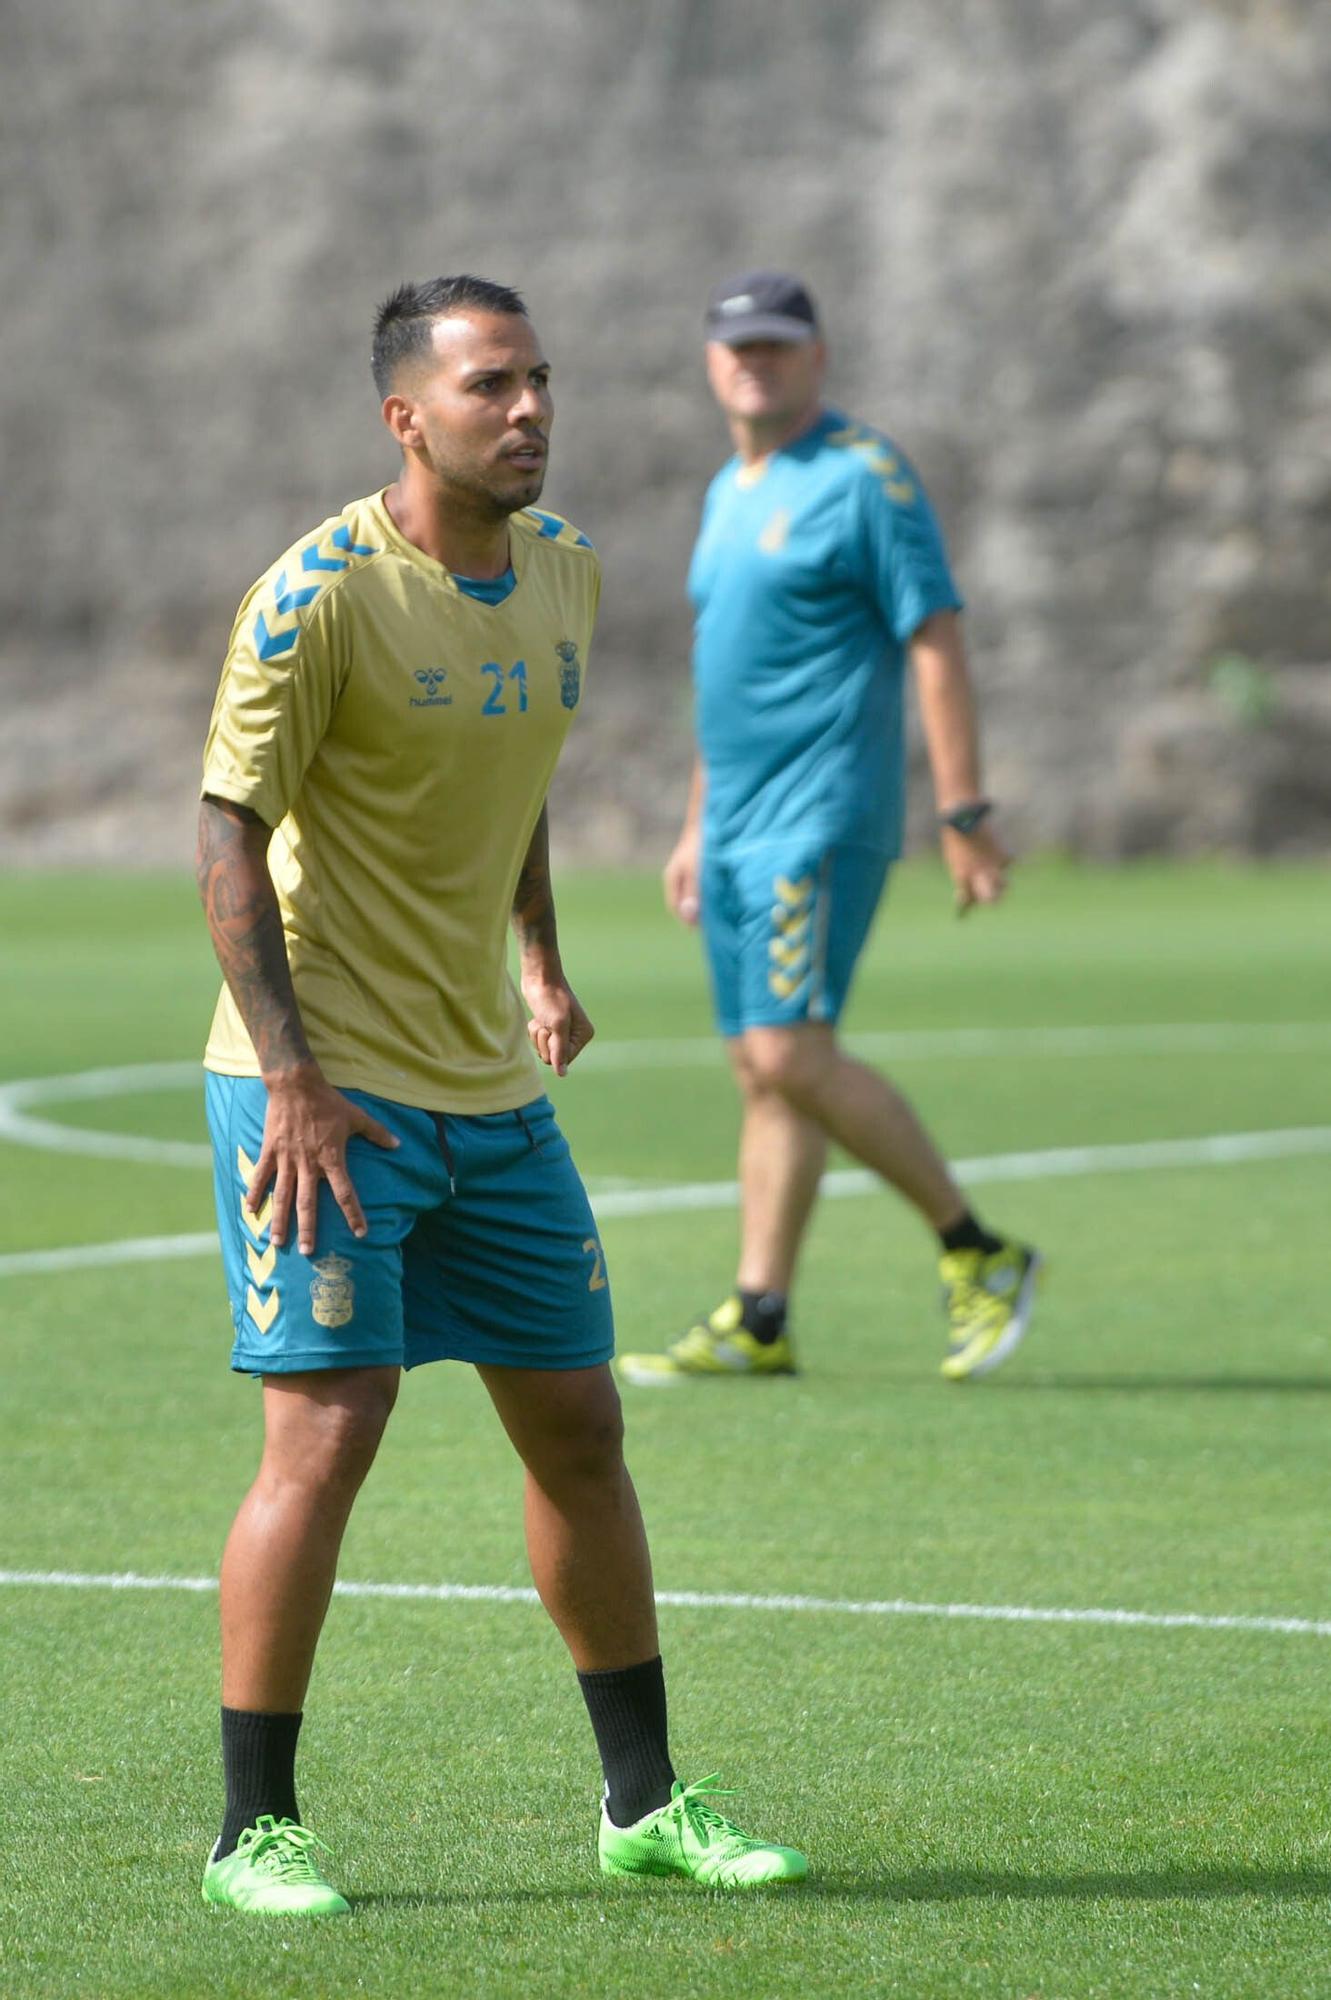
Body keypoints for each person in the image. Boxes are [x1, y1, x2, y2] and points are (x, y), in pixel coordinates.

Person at [194, 274, 805, 1915]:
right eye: (488, 388)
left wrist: (536, 952)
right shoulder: (314, 599)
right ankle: (254, 1828)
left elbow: (508, 773)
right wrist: (300, 1084)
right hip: (319, 1094)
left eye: (539, 381)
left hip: (483, 1087)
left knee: (581, 1427)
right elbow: (225, 841)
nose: (527, 410)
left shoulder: (568, 577)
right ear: (406, 416)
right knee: (329, 1431)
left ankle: (644, 1801)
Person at [617, 270, 1040, 1390]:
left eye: (775, 344)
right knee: (761, 1072)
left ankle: (975, 1249)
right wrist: (692, 824)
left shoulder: (864, 478)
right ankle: (761, 1312)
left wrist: (961, 811)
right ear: (711, 363)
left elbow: (934, 635)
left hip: (816, 817)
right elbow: (726, 670)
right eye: (735, 346)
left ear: (818, 356)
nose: (752, 361)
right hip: (732, 827)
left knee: (787, 1050)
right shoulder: (726, 490)